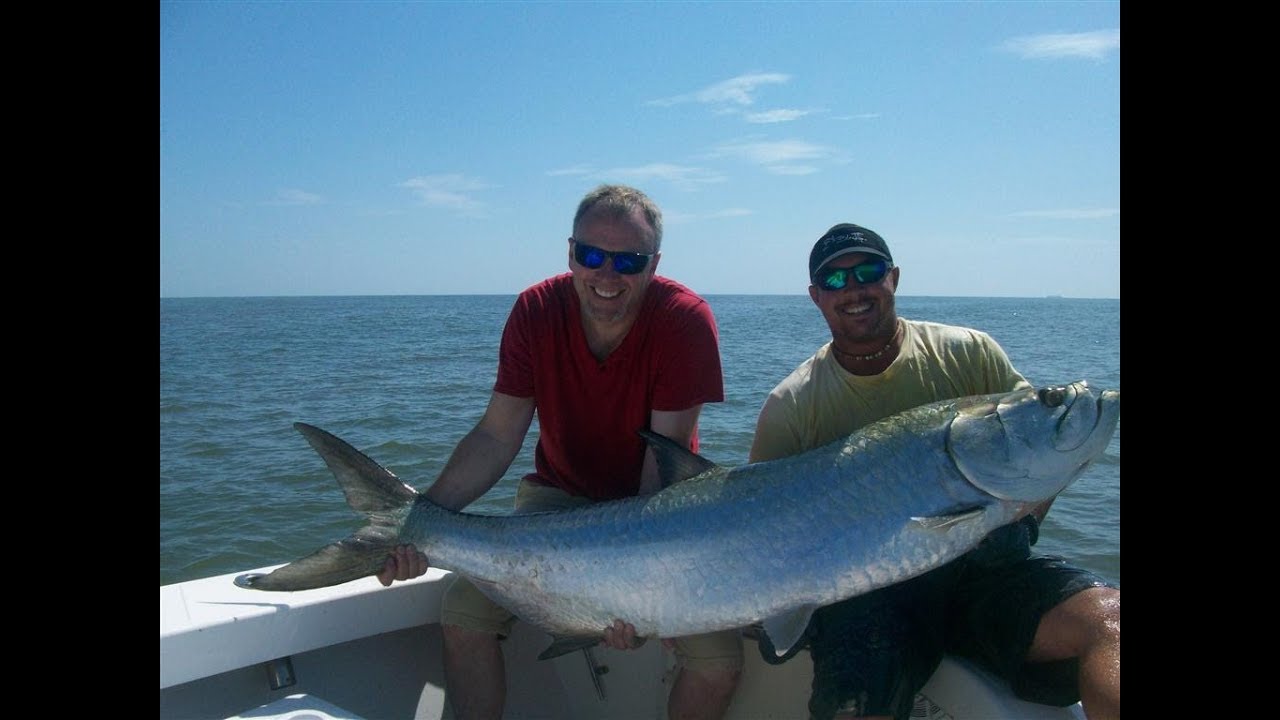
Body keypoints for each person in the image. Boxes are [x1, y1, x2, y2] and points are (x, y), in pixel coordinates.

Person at [378, 184, 744, 720]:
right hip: (557, 503)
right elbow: (496, 437)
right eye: (591, 255)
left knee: (718, 660)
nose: (607, 276)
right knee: (463, 612)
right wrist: (420, 520)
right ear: (569, 252)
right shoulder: (535, 310)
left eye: (629, 261)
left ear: (655, 264)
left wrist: (634, 593)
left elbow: (660, 469)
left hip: (659, 515)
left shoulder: (684, 321)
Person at [747, 223, 1120, 720]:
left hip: (985, 580)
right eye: (835, 281)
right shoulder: (793, 405)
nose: (854, 289)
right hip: (867, 599)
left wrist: (1022, 518)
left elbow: (1041, 455)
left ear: (894, 278)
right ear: (816, 297)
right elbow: (752, 530)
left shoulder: (968, 352)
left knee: (1109, 623)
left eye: (868, 272)